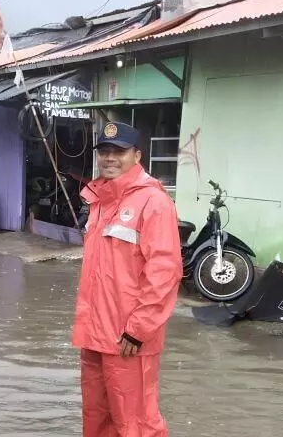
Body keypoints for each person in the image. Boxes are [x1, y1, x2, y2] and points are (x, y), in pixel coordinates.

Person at [73, 121, 182, 436]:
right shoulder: (100, 200)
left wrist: (138, 330)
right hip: (95, 333)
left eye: (118, 151)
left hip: (128, 339)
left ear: (137, 155)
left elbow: (164, 271)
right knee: (97, 418)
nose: (109, 158)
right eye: (104, 151)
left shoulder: (154, 202)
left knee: (137, 422)